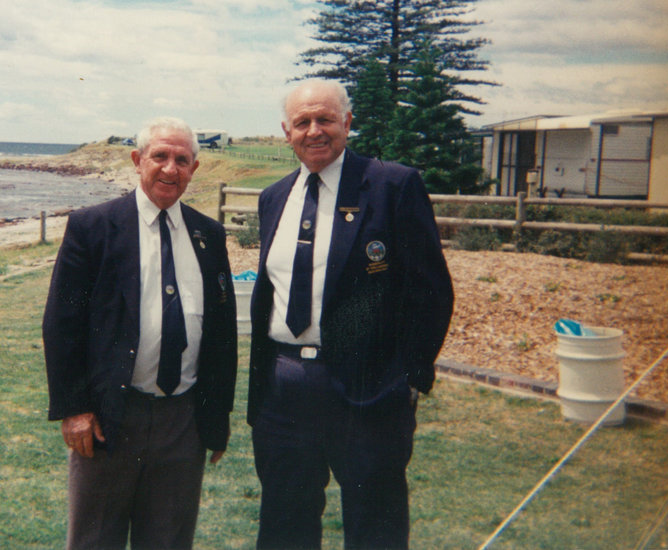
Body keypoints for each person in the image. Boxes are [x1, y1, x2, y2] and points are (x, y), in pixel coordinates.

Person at [247, 79, 454, 549]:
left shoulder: (391, 185)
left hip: (367, 391)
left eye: (325, 119)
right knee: (284, 525)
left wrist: (409, 376)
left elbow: (431, 290)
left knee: (375, 526)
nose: (314, 131)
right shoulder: (274, 197)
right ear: (286, 132)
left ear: (347, 123)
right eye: (302, 122)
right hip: (283, 391)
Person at [42, 117, 237, 550]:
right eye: (160, 156)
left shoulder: (209, 235)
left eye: (182, 160)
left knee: (169, 541)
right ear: (137, 160)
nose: (170, 169)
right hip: (110, 417)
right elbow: (62, 324)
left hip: (182, 420)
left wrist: (217, 418)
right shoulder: (93, 227)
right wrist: (74, 408)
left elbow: (222, 335)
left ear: (194, 169)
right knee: (95, 540)